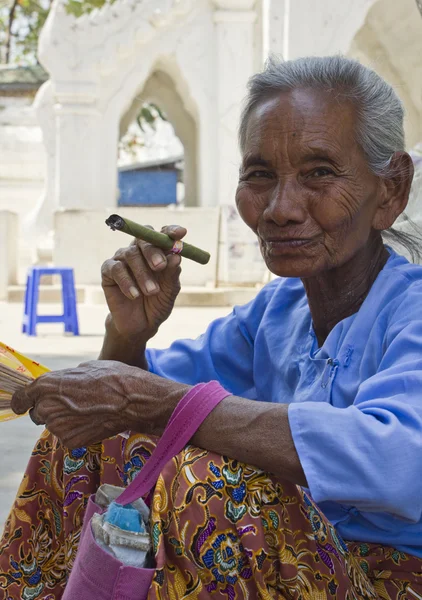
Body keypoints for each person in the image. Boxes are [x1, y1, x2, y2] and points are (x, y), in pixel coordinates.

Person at [1, 55, 422, 600]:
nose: (280, 208)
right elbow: (127, 413)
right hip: (289, 566)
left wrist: (155, 402)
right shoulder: (276, 312)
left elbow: (398, 459)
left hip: (389, 581)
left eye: (320, 172)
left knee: (203, 490)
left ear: (390, 191)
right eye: (260, 175)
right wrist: (129, 334)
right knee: (80, 441)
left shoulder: (411, 312)